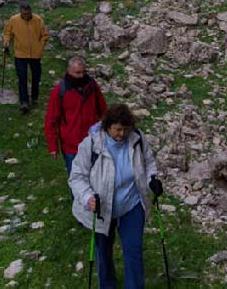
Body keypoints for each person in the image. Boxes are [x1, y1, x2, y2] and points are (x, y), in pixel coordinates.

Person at [69, 103, 162, 289]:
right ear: (107, 126)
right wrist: (88, 197)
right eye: (118, 129)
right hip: (102, 207)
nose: (122, 134)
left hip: (131, 204)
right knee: (103, 252)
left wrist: (153, 179)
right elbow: (77, 177)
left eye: (126, 129)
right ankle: (107, 284)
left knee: (133, 250)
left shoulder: (137, 139)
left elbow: (149, 162)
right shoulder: (92, 144)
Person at [45, 56, 108, 175]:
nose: (81, 76)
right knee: (76, 181)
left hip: (93, 142)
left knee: (97, 179)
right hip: (71, 147)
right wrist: (53, 146)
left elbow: (103, 109)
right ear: (69, 71)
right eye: (77, 73)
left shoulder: (92, 86)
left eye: (83, 72)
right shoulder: (60, 91)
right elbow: (51, 120)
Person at [3, 1, 49, 113]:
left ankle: (34, 97)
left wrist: (40, 47)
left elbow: (45, 35)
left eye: (28, 13)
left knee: (36, 77)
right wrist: (6, 41)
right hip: (20, 54)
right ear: (20, 11)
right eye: (24, 14)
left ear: (31, 11)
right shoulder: (13, 20)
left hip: (35, 54)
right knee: (22, 77)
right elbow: (7, 32)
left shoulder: (38, 20)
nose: (26, 16)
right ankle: (24, 102)